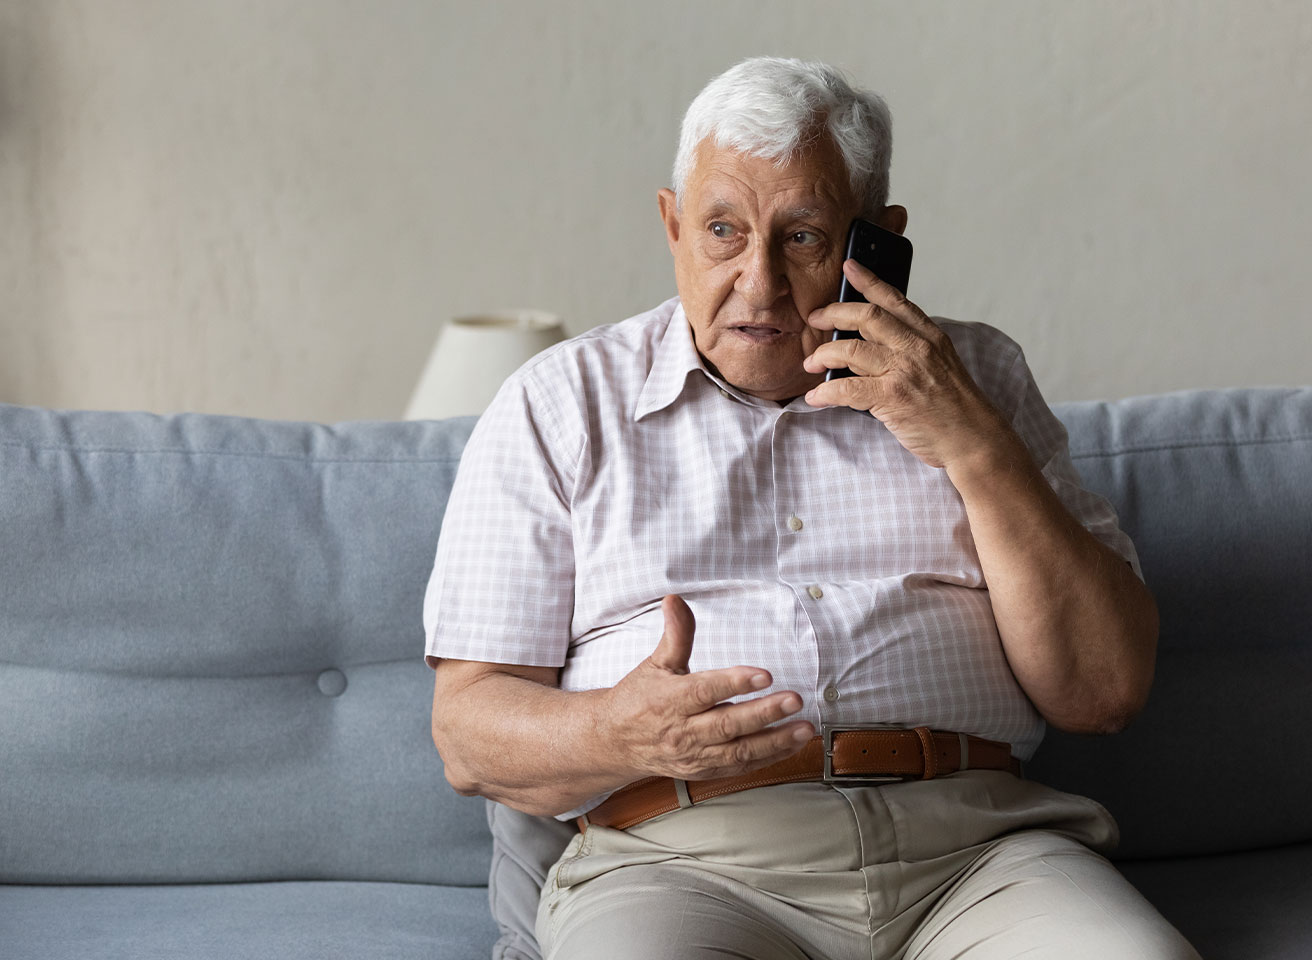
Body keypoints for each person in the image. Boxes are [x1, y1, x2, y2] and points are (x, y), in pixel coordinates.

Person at [424, 56, 1201, 960]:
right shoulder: (559, 403)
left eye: (802, 237)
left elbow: (1104, 691)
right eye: (722, 230)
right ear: (673, 226)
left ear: (880, 241)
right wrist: (620, 732)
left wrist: (975, 446)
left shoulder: (979, 378)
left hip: (979, 853)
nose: (757, 282)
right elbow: (467, 736)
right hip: (682, 863)